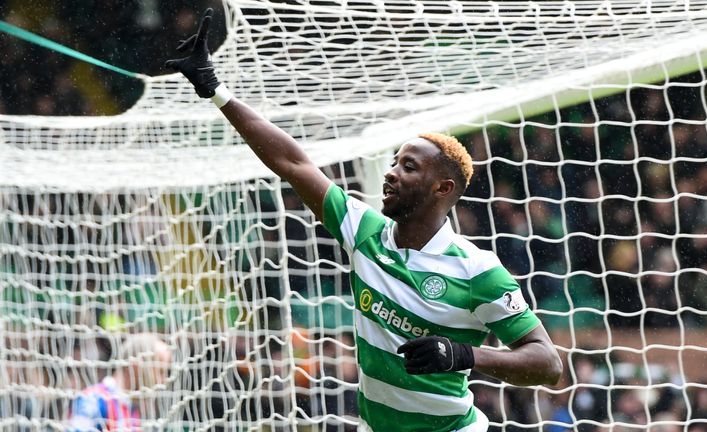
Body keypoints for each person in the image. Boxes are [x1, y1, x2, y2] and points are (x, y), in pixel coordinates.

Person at [166, 9, 562, 431]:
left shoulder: (477, 270)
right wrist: (215, 91)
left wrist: (465, 355)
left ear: (442, 189)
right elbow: (292, 162)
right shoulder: (364, 231)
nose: (391, 172)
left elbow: (548, 362)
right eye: (394, 162)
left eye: (409, 167)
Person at [67, 333, 172, 431]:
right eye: (161, 372)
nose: (164, 380)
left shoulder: (132, 408)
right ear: (136, 366)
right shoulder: (94, 400)